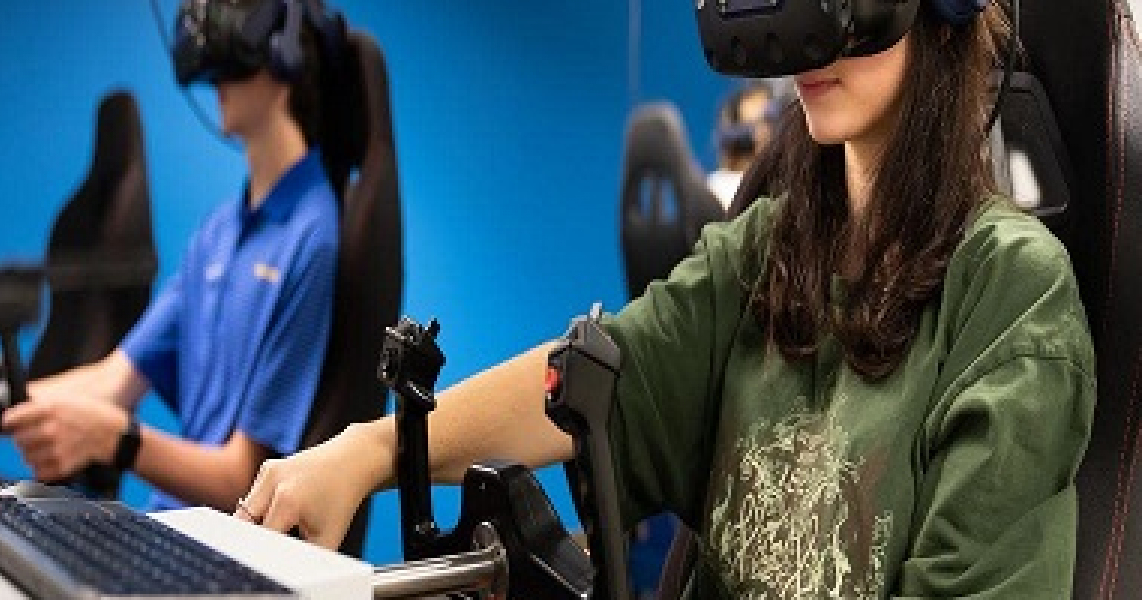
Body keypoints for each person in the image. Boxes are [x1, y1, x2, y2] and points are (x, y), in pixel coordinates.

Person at [238, 2, 1095, 597]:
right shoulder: (769, 249)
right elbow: (594, 384)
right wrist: (366, 454)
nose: (802, 37)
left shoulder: (1013, 296)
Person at [0, 0, 346, 514]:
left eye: (232, 65)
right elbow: (111, 382)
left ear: (285, 57)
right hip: (167, 525)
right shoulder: (220, 231)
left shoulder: (313, 234)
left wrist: (119, 440)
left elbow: (247, 481)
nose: (216, 81)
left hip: (228, 540)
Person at [706, 79, 780, 211]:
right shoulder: (719, 186)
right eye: (752, 125)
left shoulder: (786, 179)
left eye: (767, 121)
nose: (762, 132)